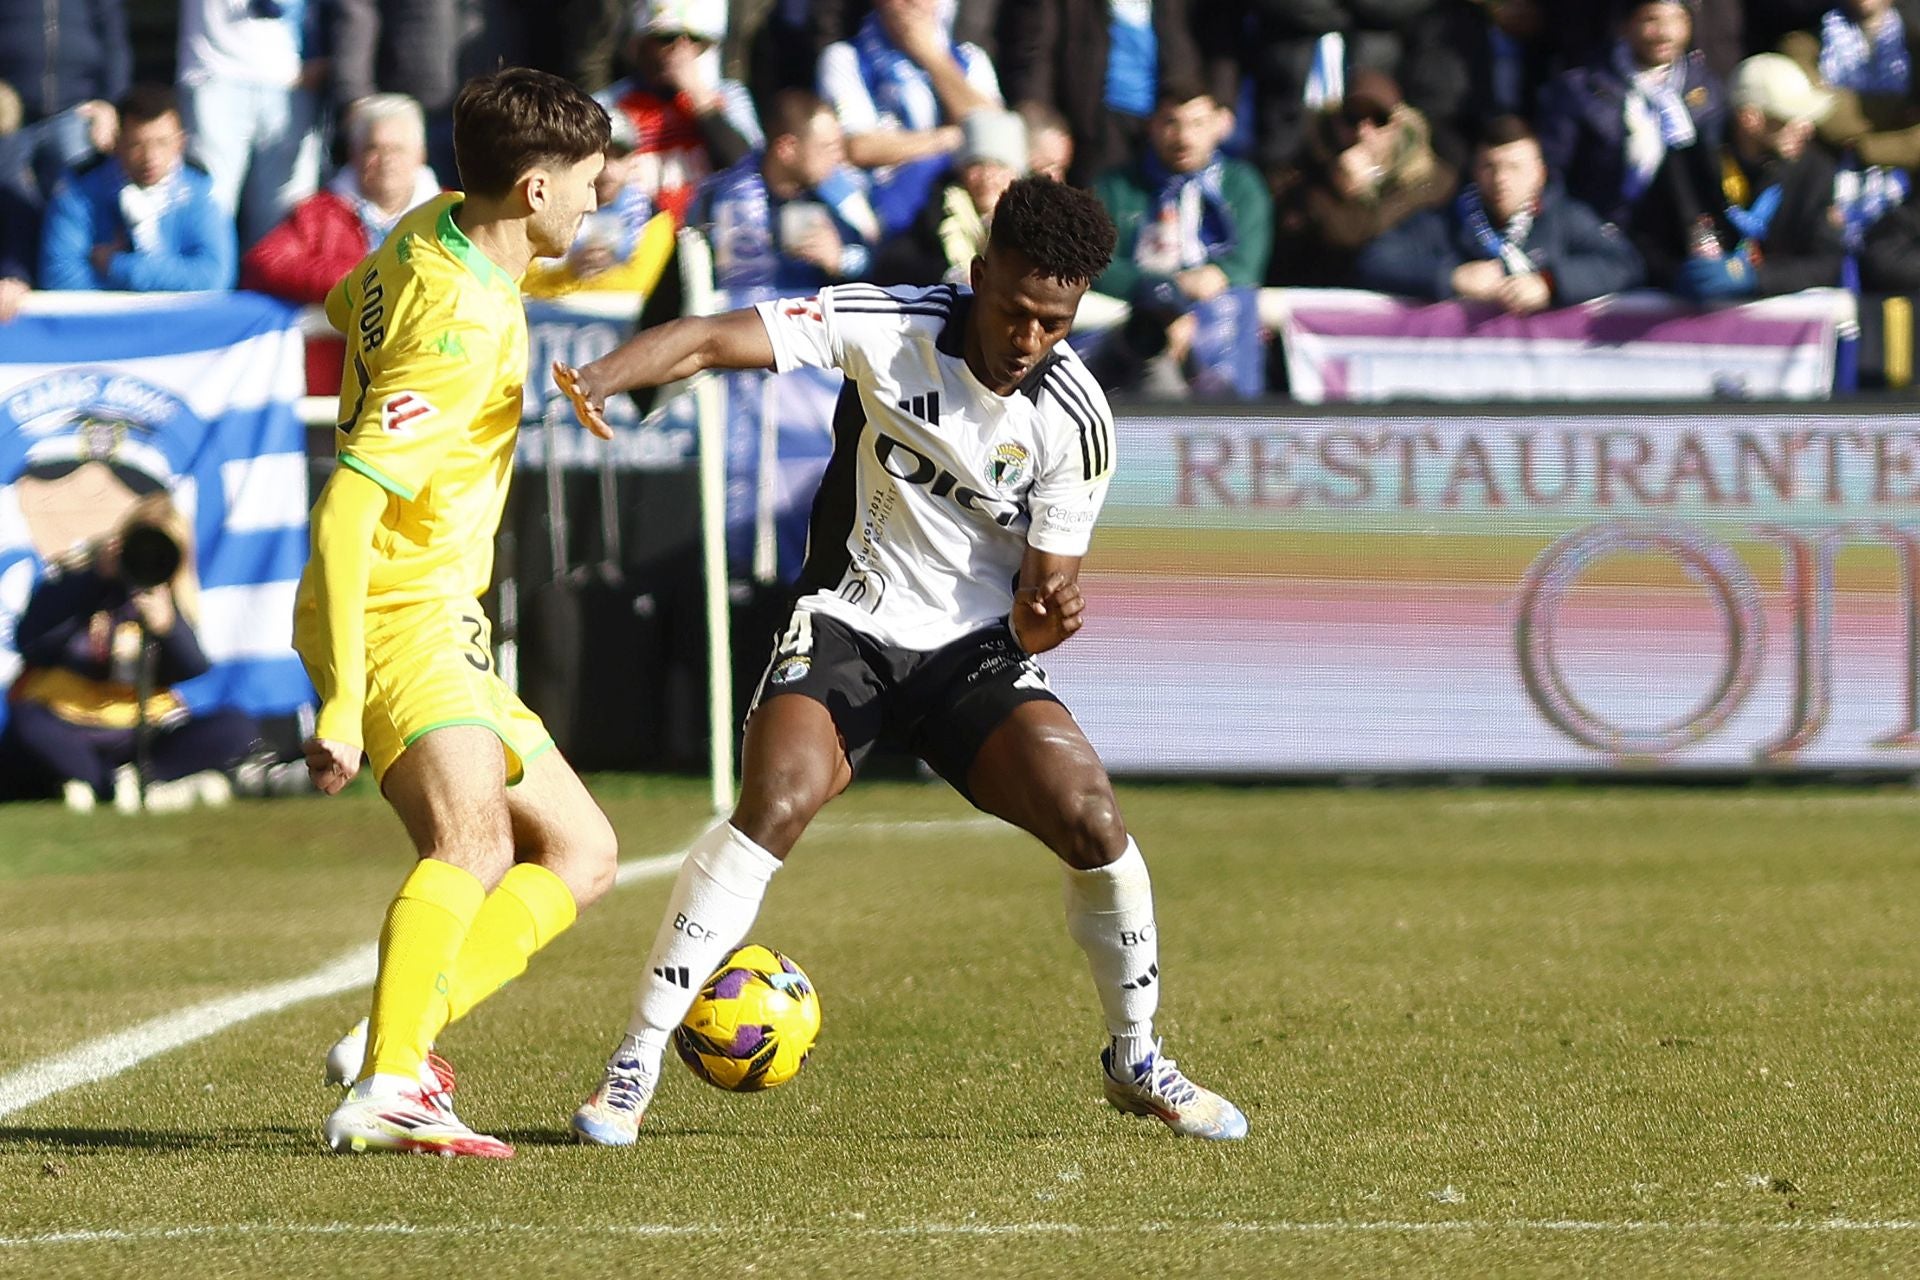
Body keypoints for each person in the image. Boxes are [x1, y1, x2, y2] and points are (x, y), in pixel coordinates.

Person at [554, 175, 1248, 1147]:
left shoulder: (1076, 419)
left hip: (970, 654)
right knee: (777, 800)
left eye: (1056, 322)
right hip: (850, 623)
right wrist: (600, 378)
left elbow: (1039, 613)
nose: (1029, 340)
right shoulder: (890, 321)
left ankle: (1134, 1056)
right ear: (978, 276)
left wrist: (1054, 613)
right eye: (1014, 311)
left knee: (1095, 820)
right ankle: (633, 1059)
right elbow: (713, 335)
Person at [296, 67, 620, 1159]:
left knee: (580, 849)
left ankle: (402, 1031)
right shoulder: (463, 326)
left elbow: (352, 303)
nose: (595, 204)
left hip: (443, 614)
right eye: (586, 186)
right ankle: (391, 1081)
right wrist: (344, 695)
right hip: (395, 609)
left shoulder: (432, 222)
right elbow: (348, 500)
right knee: (471, 842)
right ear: (532, 188)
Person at [4, 494, 257, 813]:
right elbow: (33, 643)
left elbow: (192, 667)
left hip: (141, 731)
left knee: (236, 726)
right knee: (27, 721)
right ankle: (125, 787)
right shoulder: (80, 579)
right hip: (69, 722)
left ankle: (124, 783)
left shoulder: (170, 600)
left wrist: (168, 627)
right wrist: (93, 581)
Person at [1088, 79, 1272, 393]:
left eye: (1198, 124)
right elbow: (1096, 263)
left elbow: (1246, 263)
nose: (1184, 137)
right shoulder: (1115, 187)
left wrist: (1211, 281)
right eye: (1171, 123)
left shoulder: (1243, 185)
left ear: (1221, 124)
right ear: (1152, 125)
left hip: (1214, 319)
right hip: (1130, 318)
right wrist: (1162, 292)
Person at [1352, 115, 1645, 311]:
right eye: (1490, 167)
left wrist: (1549, 283)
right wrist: (1451, 277)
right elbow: (1376, 260)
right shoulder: (1445, 220)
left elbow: (1624, 263)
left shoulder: (1565, 218)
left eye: (1515, 167)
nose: (1501, 179)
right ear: (1475, 171)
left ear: (1539, 174)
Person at [1633, 53, 1846, 300]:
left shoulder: (1815, 171)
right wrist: (1677, 275)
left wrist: (1757, 278)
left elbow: (1827, 262)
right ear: (1750, 119)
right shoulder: (1687, 165)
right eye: (1789, 117)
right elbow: (1644, 244)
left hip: (1776, 325)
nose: (1806, 128)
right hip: (1692, 325)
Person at [1536, 0, 1726, 234]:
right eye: (1651, 20)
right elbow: (1554, 173)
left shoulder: (1706, 90)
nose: (1665, 33)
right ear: (1625, 26)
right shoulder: (1581, 89)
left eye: (1676, 20)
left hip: (1682, 232)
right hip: (1605, 229)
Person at [817, 0, 1003, 237]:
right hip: (887, 230)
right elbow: (858, 146)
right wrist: (947, 139)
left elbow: (994, 131)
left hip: (962, 225)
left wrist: (933, 59)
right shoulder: (846, 58)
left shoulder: (969, 58)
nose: (916, 2)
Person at [241, 93, 441, 304]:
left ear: (421, 155)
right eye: (373, 148)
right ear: (354, 154)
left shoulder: (453, 213)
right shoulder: (318, 213)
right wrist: (363, 278)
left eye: (398, 149)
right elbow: (262, 264)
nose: (386, 160)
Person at [38, 84, 236, 292]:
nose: (150, 158)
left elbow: (214, 278)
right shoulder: (80, 190)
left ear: (180, 143)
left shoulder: (200, 188)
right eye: (137, 145)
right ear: (116, 144)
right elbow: (60, 279)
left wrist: (118, 266)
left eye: (162, 143)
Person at [693, 88, 882, 293]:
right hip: (763, 316)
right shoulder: (737, 197)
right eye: (826, 147)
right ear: (787, 149)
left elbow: (877, 254)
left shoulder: (832, 185)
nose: (838, 157)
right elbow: (744, 293)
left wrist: (840, 260)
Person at [175, 0, 328, 249]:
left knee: (282, 220)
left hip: (294, 79)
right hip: (215, 71)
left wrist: (325, 52)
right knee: (212, 206)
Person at [597, 0, 764, 227]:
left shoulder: (729, 97)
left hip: (710, 234)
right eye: (667, 39)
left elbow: (748, 169)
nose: (681, 51)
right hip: (639, 238)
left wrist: (697, 95)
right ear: (641, 45)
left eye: (694, 40)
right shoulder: (608, 103)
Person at [870, 106, 1023, 286]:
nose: (987, 176)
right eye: (976, 165)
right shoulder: (929, 227)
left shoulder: (1028, 231)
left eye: (999, 166)